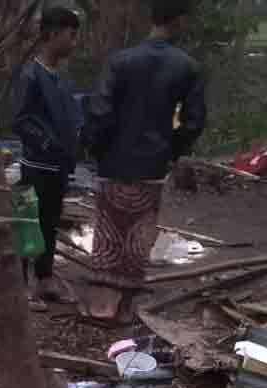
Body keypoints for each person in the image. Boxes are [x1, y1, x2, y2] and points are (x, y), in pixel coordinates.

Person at [80, 0, 207, 322]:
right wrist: (170, 151)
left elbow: (100, 112)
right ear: (178, 20)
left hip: (114, 162)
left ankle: (99, 305)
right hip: (152, 164)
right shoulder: (186, 67)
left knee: (109, 232)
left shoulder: (121, 61)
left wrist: (97, 150)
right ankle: (125, 307)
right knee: (139, 234)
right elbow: (193, 122)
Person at [13, 7, 82, 302]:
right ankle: (19, 285)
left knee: (50, 223)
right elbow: (20, 120)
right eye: (71, 35)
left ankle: (45, 279)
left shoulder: (60, 78)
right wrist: (47, 143)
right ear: (52, 34)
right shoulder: (31, 74)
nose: (74, 42)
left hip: (58, 167)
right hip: (36, 166)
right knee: (29, 223)